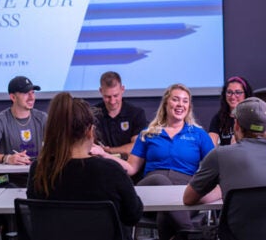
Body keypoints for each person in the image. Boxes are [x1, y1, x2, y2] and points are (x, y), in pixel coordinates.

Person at [91, 83, 214, 240]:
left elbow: (213, 166)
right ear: (166, 103)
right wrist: (104, 154)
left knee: (166, 214)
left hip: (184, 194)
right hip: (151, 188)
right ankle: (191, 232)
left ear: (189, 106)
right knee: (160, 180)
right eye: (176, 99)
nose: (180, 105)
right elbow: (131, 168)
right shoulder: (148, 133)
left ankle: (187, 234)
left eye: (185, 101)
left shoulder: (198, 134)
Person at [27, 92, 143, 240]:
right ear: (90, 131)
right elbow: (133, 215)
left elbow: (36, 217)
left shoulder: (39, 169)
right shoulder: (111, 171)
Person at [183, 97, 266, 216]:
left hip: (236, 233)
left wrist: (219, 189)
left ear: (236, 125)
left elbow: (188, 198)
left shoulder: (219, 155)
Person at [0, 76, 47, 186]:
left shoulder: (43, 118)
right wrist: (7, 158)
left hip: (37, 176)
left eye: (33, 93)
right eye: (26, 93)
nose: (31, 98)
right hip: (7, 178)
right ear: (13, 97)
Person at [94, 71, 147, 160]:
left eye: (116, 95)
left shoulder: (136, 114)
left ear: (122, 89)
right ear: (100, 91)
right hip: (100, 165)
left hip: (128, 165)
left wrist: (109, 151)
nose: (112, 101)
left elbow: (136, 147)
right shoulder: (92, 115)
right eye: (107, 97)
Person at [209, 76, 253, 146]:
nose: (233, 96)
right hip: (225, 155)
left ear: (246, 94)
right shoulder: (218, 118)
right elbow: (211, 145)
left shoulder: (253, 117)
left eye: (238, 92)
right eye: (229, 92)